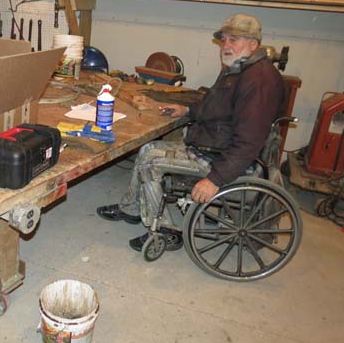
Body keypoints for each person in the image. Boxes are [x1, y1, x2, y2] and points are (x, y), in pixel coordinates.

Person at [96, 13, 287, 251]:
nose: (225, 46)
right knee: (148, 148)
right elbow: (218, 107)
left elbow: (249, 143)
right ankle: (131, 209)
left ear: (253, 44)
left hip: (224, 158)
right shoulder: (238, 68)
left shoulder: (258, 81)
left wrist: (214, 180)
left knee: (149, 159)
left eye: (234, 40)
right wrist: (187, 109)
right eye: (224, 39)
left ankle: (167, 231)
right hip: (214, 144)